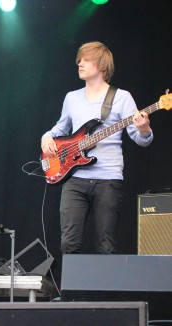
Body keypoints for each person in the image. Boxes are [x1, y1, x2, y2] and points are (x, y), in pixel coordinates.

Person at [41, 41, 153, 254]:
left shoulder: (121, 97)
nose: (80, 64)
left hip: (108, 178)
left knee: (106, 243)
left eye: (86, 60)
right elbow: (59, 128)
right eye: (79, 60)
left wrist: (145, 129)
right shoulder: (71, 98)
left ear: (102, 66)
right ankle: (71, 288)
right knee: (68, 243)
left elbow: (140, 139)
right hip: (74, 179)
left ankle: (105, 288)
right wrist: (46, 137)